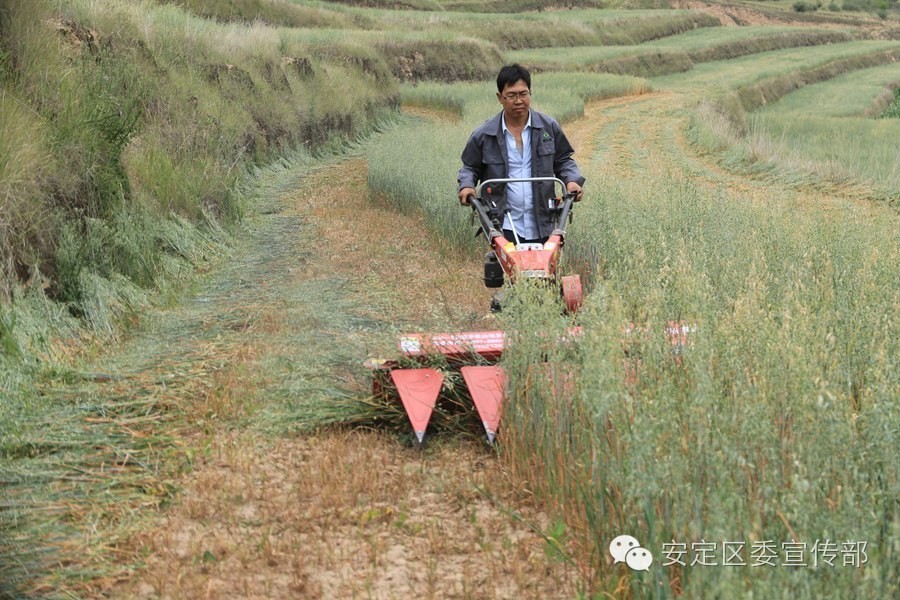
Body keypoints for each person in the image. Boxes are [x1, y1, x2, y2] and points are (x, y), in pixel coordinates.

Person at [457, 63, 584, 245]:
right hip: (502, 223)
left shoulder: (548, 128)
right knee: (505, 270)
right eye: (512, 95)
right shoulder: (485, 134)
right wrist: (467, 186)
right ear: (500, 97)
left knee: (545, 271)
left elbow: (563, 160)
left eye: (523, 94)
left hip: (544, 221)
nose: (518, 101)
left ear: (530, 93)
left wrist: (572, 181)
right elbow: (470, 167)